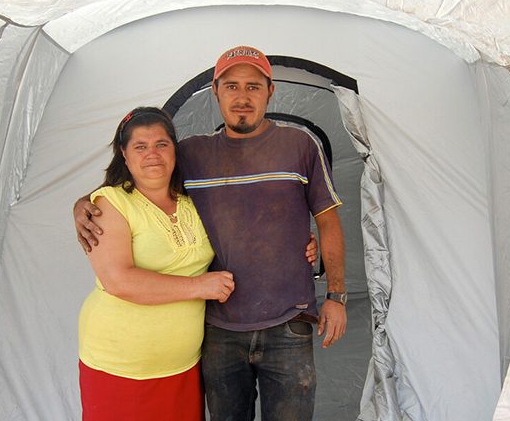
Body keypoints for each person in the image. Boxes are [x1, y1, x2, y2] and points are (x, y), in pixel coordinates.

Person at [74, 46, 347, 421]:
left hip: (289, 323)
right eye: (231, 86)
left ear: (271, 91)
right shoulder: (192, 154)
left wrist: (336, 295)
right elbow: (140, 177)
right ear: (215, 91)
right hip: (219, 329)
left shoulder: (300, 146)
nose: (242, 97)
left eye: (253, 86)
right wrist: (84, 201)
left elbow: (329, 221)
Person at [77, 107, 235, 421]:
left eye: (162, 144)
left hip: (182, 367)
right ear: (124, 154)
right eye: (140, 146)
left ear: (175, 149)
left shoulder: (193, 200)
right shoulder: (110, 202)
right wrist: (200, 286)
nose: (153, 154)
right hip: (119, 366)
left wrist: (303, 245)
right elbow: (118, 281)